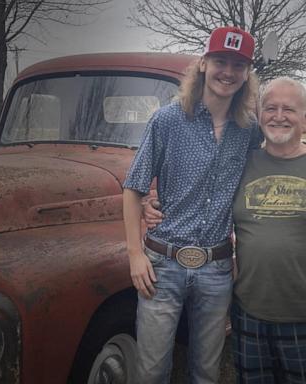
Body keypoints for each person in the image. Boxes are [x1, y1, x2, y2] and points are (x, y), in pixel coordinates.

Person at [122, 26, 261, 384]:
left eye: (238, 65)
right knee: (152, 371)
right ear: (203, 64)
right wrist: (135, 255)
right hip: (162, 265)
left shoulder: (249, 130)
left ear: (247, 74)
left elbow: (266, 169)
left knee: (206, 372)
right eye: (220, 61)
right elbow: (134, 188)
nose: (227, 72)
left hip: (216, 269)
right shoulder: (167, 120)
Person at [231, 77, 306, 383]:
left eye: (288, 109)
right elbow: (202, 200)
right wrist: (154, 206)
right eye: (270, 108)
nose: (278, 116)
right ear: (259, 115)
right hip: (249, 311)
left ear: (305, 116)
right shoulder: (240, 164)